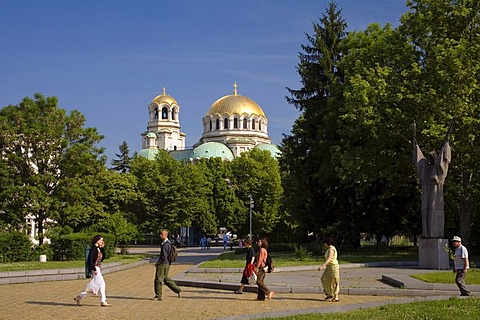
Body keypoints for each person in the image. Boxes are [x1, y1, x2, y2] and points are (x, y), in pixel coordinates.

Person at [74, 234, 111, 307]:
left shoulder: (98, 248)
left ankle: (80, 297)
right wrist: (94, 269)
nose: (102, 242)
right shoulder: (93, 248)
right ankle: (103, 301)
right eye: (101, 240)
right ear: (97, 240)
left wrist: (102, 248)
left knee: (97, 284)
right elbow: (90, 260)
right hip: (95, 268)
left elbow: (103, 257)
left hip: (98, 268)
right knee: (102, 283)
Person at [153, 229, 182, 301]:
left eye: (161, 234)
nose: (160, 235)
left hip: (163, 264)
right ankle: (178, 290)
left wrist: (158, 263)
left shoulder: (165, 244)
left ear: (165, 235)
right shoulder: (168, 243)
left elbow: (163, 256)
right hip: (167, 263)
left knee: (158, 279)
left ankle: (158, 296)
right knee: (166, 279)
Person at [318, 238, 340, 302]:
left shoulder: (331, 249)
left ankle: (336, 296)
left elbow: (329, 259)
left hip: (333, 267)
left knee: (334, 281)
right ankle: (329, 293)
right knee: (324, 279)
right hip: (329, 267)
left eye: (324, 243)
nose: (324, 245)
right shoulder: (329, 249)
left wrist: (322, 266)